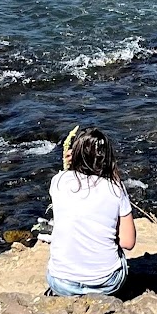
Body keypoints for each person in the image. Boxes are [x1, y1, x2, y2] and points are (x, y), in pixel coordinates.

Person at [46, 127, 136, 296]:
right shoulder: (115, 187)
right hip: (106, 283)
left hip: (61, 283)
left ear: (74, 154)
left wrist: (70, 165)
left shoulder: (58, 181)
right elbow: (128, 242)